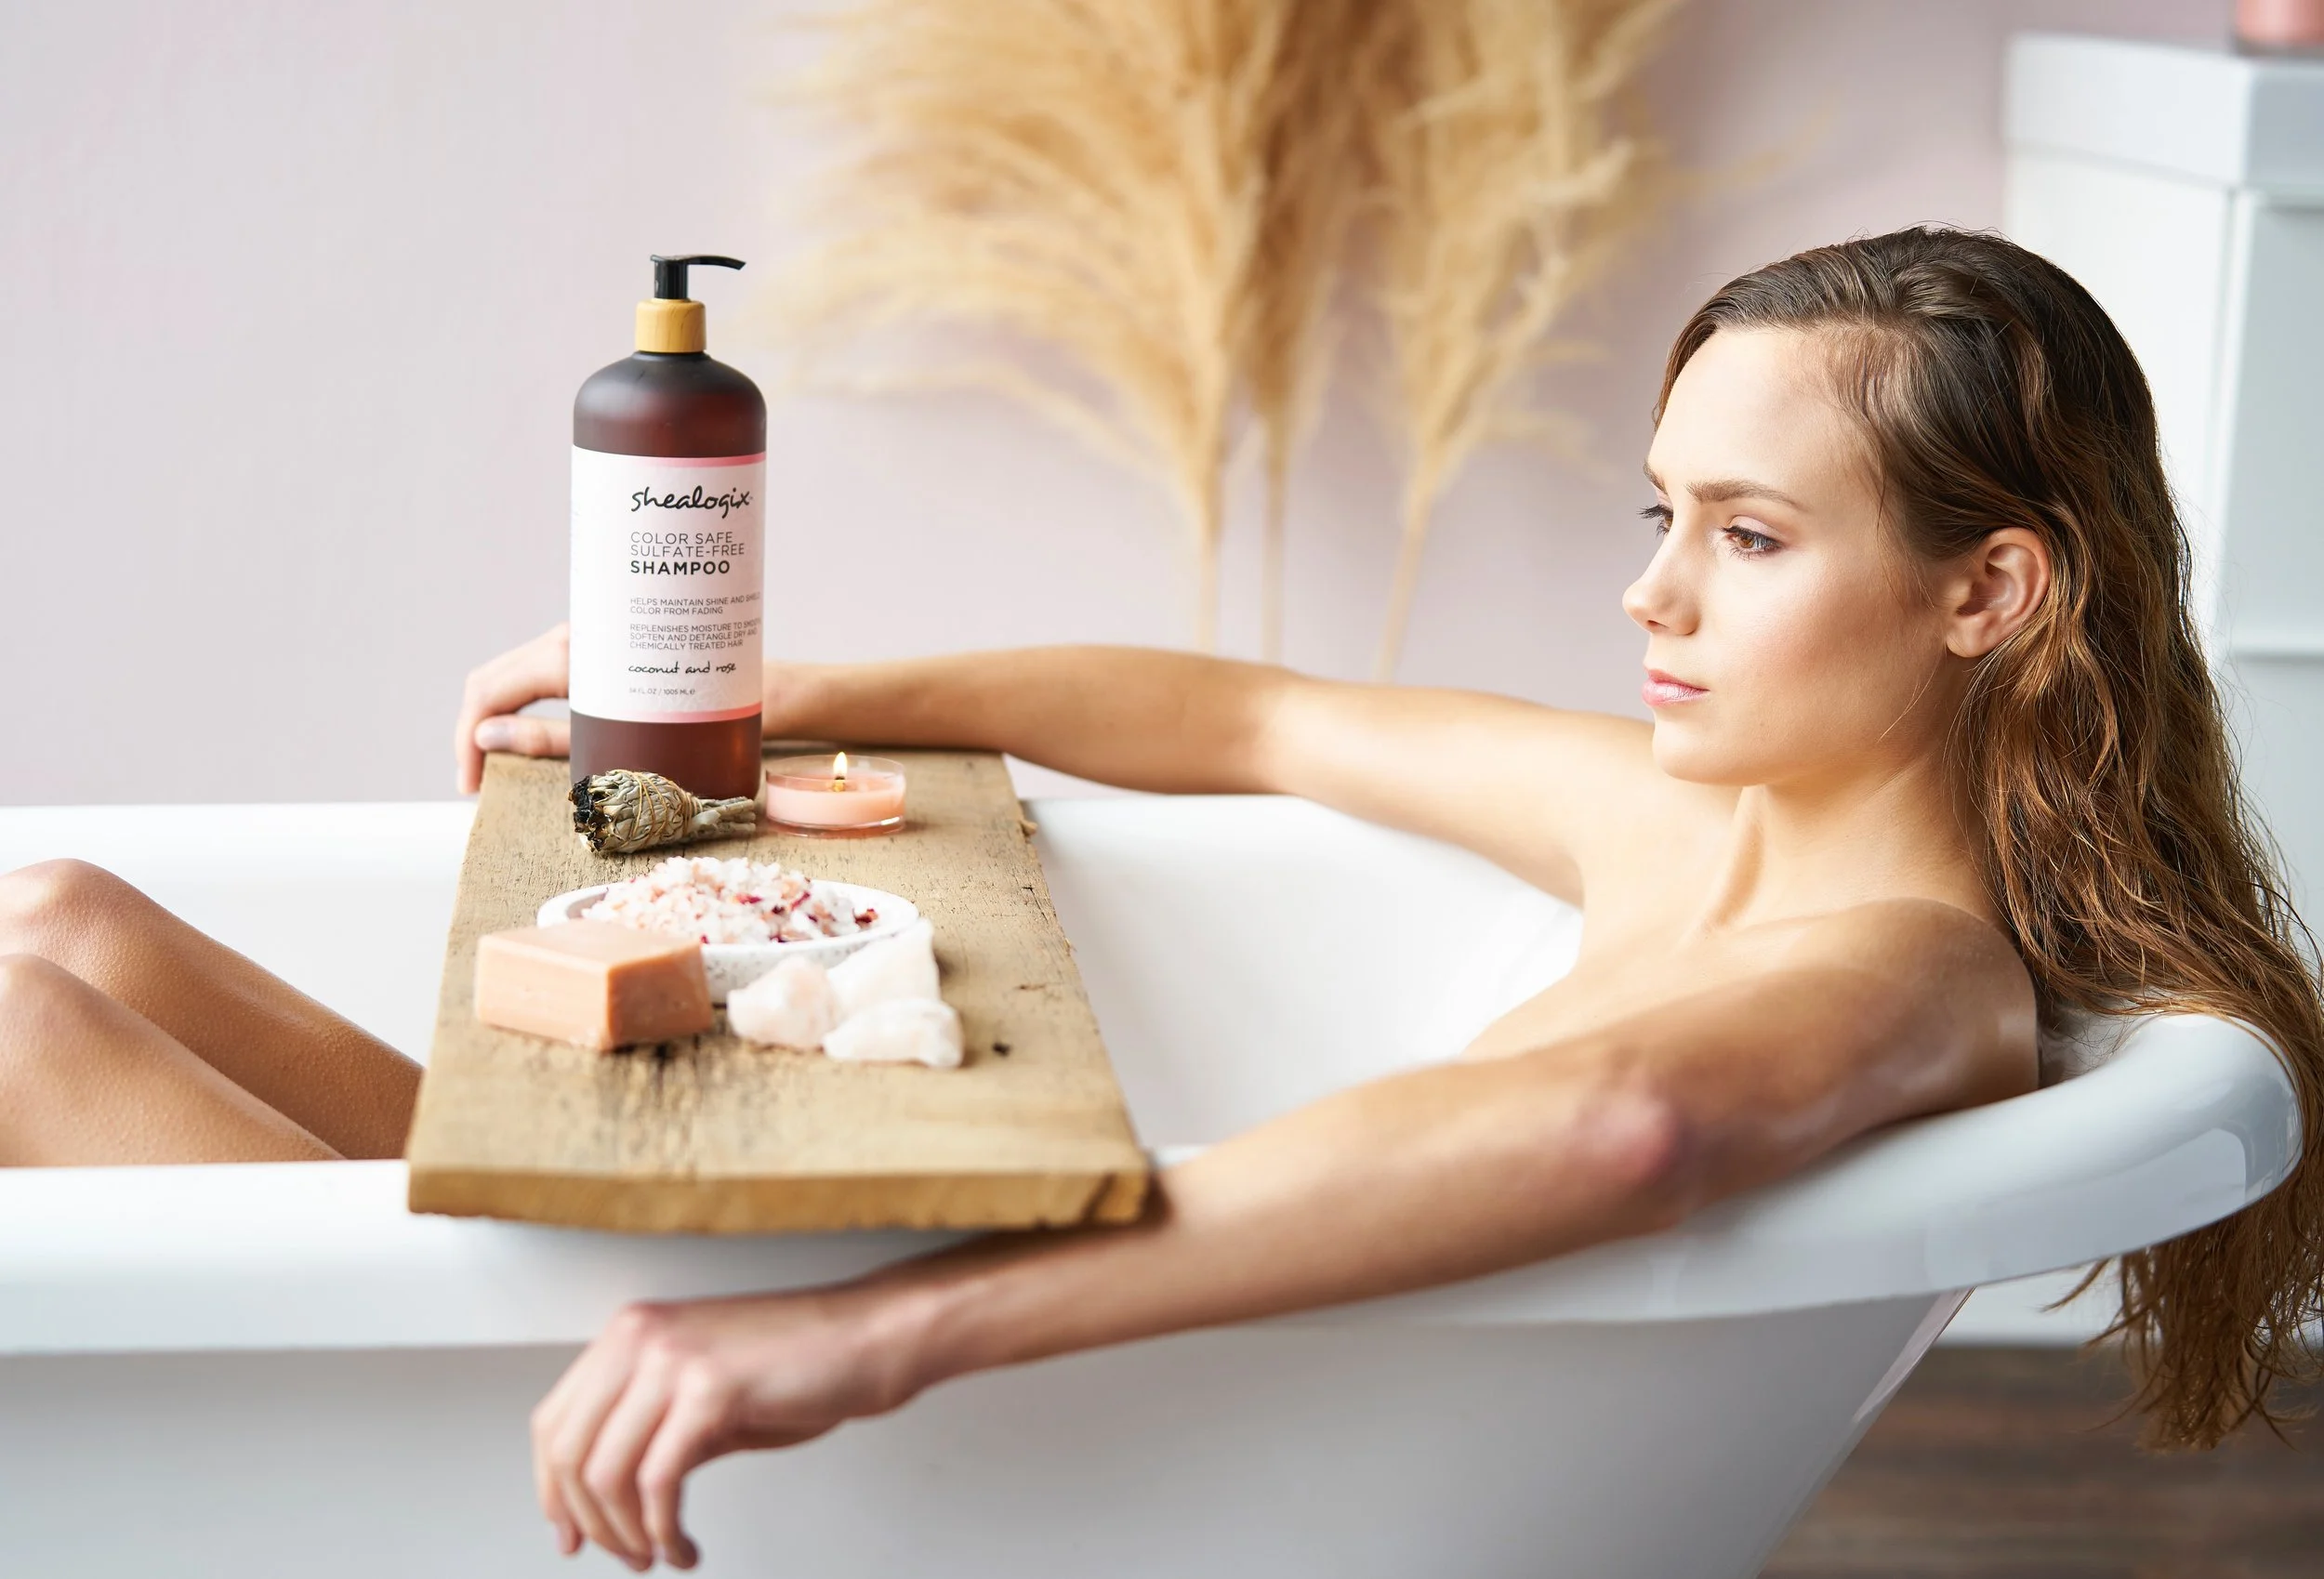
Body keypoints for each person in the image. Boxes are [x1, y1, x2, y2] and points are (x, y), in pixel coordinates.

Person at [1, 227, 2315, 1567]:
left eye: (1752, 535)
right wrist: (772, 684)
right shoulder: (1667, 818)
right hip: (1094, 1424)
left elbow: (1631, 1134)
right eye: (1657, 515)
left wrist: (846, 1335)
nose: (1655, 597)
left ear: (1988, 593)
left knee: (21, 1024)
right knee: (72, 930)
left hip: (998, 1475)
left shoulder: (1894, 975)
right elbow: (1258, 719)